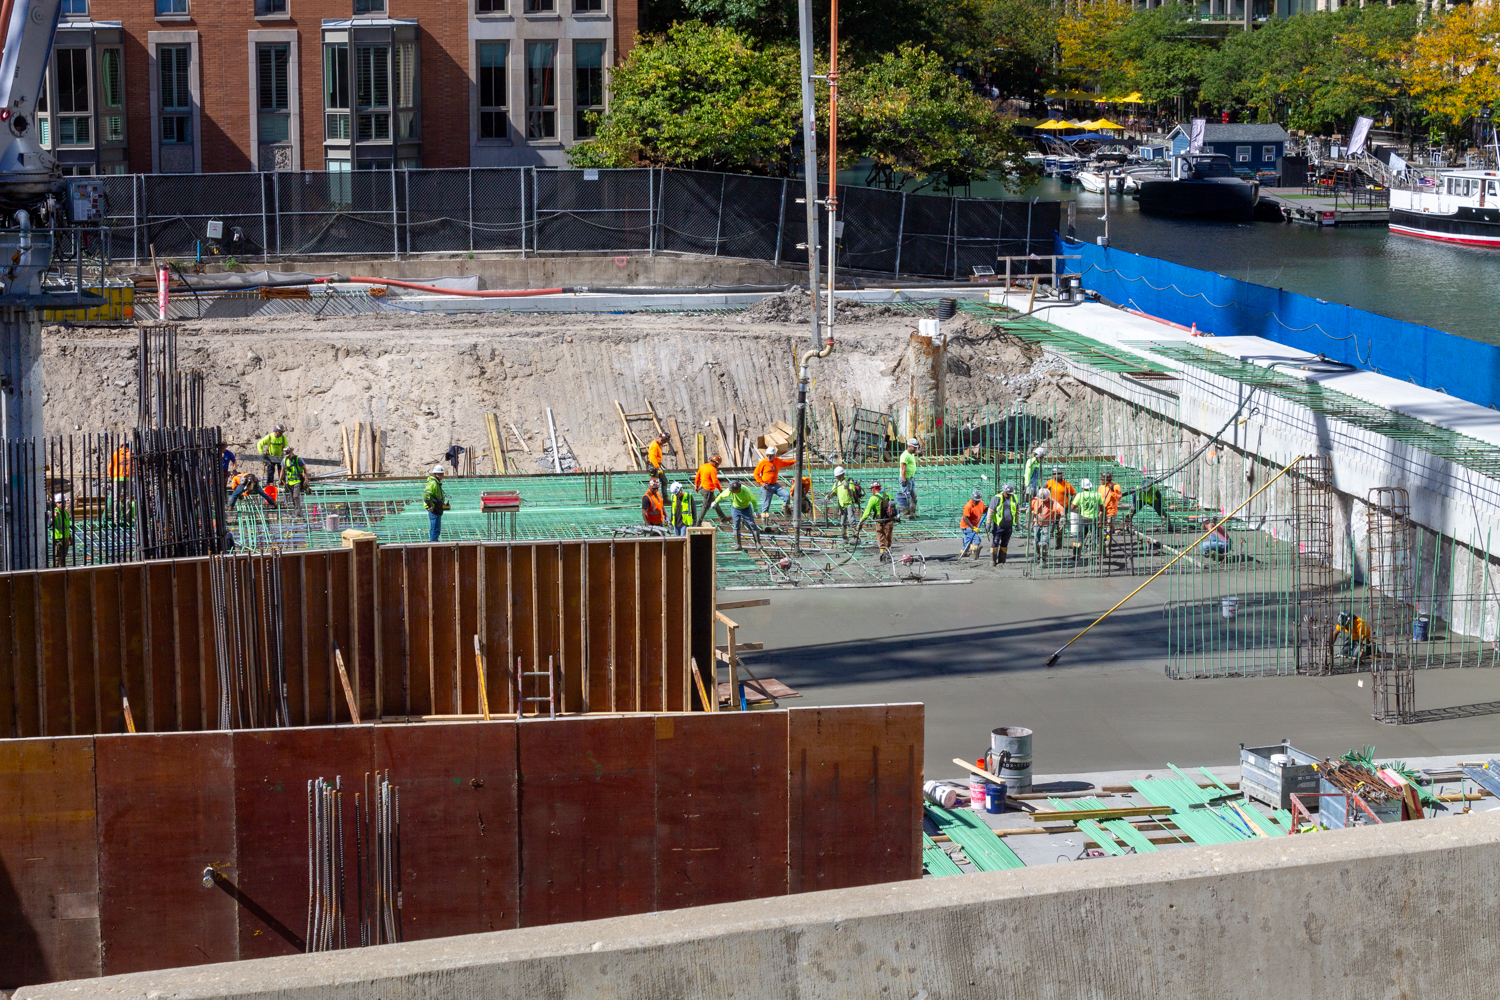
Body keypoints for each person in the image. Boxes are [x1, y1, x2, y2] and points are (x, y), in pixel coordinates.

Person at [714, 478, 762, 549]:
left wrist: (756, 510)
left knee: (751, 524)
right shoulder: (730, 490)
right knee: (736, 525)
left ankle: (758, 543)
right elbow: (721, 496)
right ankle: (738, 545)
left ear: (738, 489)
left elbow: (754, 500)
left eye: (733, 491)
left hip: (746, 509)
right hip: (735, 509)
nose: (731, 492)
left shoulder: (745, 492)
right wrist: (715, 502)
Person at [860, 481, 897, 560]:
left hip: (881, 521)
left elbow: (867, 512)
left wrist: (861, 521)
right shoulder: (887, 494)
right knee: (889, 535)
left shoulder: (873, 499)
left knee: (881, 535)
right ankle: (889, 550)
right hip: (890, 520)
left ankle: (883, 552)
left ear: (874, 489)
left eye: (871, 489)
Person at [753, 446, 795, 516]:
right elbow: (756, 473)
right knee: (766, 505)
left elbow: (786, 463)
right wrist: (761, 483)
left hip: (775, 485)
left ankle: (787, 513)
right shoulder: (763, 463)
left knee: (786, 495)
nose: (768, 457)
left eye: (770, 455)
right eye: (767, 455)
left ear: (774, 455)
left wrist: (795, 461)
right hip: (766, 486)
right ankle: (765, 521)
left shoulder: (777, 461)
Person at [827, 466, 862, 539]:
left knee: (852, 521)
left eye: (838, 476)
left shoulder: (849, 481)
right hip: (842, 505)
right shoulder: (837, 483)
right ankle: (845, 538)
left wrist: (847, 487)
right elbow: (834, 492)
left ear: (841, 475)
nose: (837, 478)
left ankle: (856, 537)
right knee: (843, 522)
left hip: (849, 504)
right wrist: (829, 496)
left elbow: (852, 493)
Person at [990, 484, 1019, 565]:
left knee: (1005, 543)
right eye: (1008, 494)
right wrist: (988, 524)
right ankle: (993, 561)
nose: (1009, 495)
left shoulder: (1014, 498)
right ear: (1004, 492)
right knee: (995, 542)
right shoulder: (997, 498)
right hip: (998, 525)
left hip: (1008, 526)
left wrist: (1018, 523)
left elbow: (1017, 511)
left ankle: (1002, 561)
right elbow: (991, 511)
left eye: (1010, 494)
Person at [1072, 477, 1102, 556]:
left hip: (1083, 519)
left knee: (1080, 537)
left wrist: (1078, 506)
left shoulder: (1079, 495)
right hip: (1094, 519)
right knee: (1096, 537)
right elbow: (1102, 507)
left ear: (1082, 487)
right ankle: (1099, 553)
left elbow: (1072, 507)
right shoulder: (1097, 495)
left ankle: (1076, 555)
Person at [1031, 487, 1063, 558]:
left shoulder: (1052, 502)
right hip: (1037, 523)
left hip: (1048, 524)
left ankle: (1044, 557)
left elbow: (1060, 509)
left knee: (1044, 542)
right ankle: (1038, 554)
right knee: (1036, 540)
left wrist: (1063, 516)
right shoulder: (1035, 501)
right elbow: (1029, 508)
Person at [694, 454, 724, 525]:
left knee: (715, 502)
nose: (718, 466)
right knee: (705, 507)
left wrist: (696, 486)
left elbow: (697, 477)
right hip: (708, 491)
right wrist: (720, 490)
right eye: (718, 464)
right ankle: (698, 523)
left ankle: (723, 518)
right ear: (716, 463)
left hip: (702, 489)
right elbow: (715, 481)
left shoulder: (703, 466)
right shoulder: (713, 469)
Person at [107, 440, 132, 524]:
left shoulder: (116, 454)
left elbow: (110, 466)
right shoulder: (131, 454)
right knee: (127, 498)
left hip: (117, 478)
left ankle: (116, 518)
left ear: (121, 446)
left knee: (115, 498)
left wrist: (111, 476)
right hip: (128, 478)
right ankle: (127, 518)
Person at [960, 490, 988, 559]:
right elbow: (965, 518)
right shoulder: (968, 506)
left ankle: (963, 553)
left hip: (974, 525)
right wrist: (973, 528)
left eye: (978, 500)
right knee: (977, 539)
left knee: (967, 543)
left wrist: (989, 508)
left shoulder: (981, 503)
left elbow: (983, 510)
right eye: (975, 500)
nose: (976, 501)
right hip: (967, 526)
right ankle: (974, 555)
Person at [423, 465, 448, 541]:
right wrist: (430, 505)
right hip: (434, 509)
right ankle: (433, 544)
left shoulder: (436, 483)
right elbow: (426, 494)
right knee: (435, 528)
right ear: (437, 474)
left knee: (436, 528)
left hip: (437, 508)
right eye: (441, 474)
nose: (443, 476)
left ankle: (434, 542)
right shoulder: (433, 483)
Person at [1099, 471, 1122, 549]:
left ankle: (1107, 544)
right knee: (1099, 525)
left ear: (1107, 480)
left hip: (1111, 511)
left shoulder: (1116, 487)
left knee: (1109, 528)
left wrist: (1112, 491)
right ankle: (1100, 542)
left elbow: (1119, 498)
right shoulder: (1101, 487)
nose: (1101, 481)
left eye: (1102, 479)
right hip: (1102, 510)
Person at [899, 438, 920, 518]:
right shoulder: (905, 455)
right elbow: (903, 468)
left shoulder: (911, 453)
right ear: (909, 446)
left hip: (911, 478)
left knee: (913, 495)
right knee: (906, 496)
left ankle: (912, 513)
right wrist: (904, 480)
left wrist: (919, 452)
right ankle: (905, 514)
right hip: (906, 479)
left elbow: (915, 452)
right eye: (914, 447)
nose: (915, 449)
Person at [48, 493, 71, 567]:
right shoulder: (54, 513)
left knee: (63, 559)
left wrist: (70, 537)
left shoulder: (65, 513)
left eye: (63, 502)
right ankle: (56, 573)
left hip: (66, 539)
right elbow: (50, 523)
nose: (61, 504)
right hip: (58, 540)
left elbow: (66, 526)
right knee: (57, 559)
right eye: (59, 502)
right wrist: (54, 517)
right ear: (56, 503)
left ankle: (63, 573)